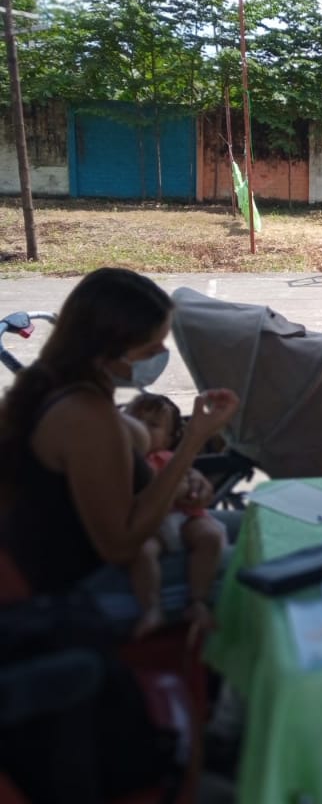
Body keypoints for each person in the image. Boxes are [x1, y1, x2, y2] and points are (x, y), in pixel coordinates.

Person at [0, 267, 239, 623]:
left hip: (80, 561)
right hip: (85, 591)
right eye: (151, 348)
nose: (162, 354)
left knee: (261, 525)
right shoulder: (87, 418)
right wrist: (192, 441)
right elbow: (122, 544)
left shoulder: (54, 384)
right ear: (107, 353)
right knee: (262, 561)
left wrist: (180, 479)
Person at [124, 392, 228, 639]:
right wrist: (174, 489)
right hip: (151, 527)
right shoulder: (124, 460)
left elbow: (189, 475)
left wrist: (194, 486)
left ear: (169, 439)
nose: (142, 428)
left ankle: (198, 601)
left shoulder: (169, 458)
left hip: (184, 518)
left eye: (153, 425)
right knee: (142, 552)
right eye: (135, 420)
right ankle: (151, 608)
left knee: (210, 536)